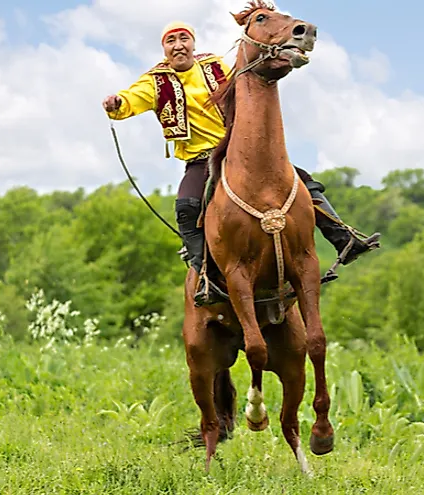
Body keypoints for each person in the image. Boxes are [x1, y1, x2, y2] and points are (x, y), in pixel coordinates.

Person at [102, 21, 380, 305]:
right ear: (164, 48)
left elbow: (245, 77)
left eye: (183, 39)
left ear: (193, 43)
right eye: (171, 41)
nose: (178, 46)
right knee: (186, 206)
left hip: (238, 150)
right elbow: (130, 99)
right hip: (201, 161)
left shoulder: (213, 66)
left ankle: (344, 239)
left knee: (303, 181)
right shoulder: (155, 81)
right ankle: (206, 275)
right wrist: (117, 103)